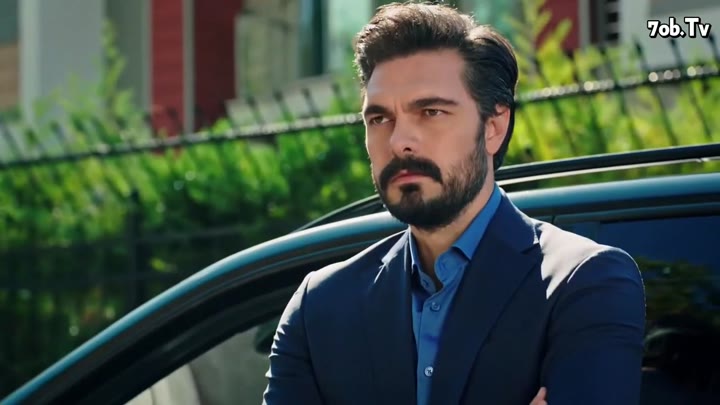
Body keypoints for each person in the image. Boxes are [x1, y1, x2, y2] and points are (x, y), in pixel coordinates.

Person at [262, 2, 646, 404]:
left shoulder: (583, 282)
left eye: (430, 112)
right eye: (379, 119)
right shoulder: (320, 306)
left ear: (493, 127)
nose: (399, 141)